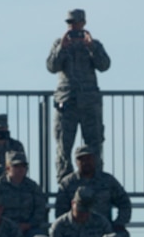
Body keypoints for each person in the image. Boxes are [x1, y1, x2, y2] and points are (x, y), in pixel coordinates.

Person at [46, 10, 110, 182]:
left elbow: (104, 65)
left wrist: (92, 47)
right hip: (66, 103)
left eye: (75, 23)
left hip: (89, 103)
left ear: (83, 23)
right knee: (63, 147)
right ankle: (65, 185)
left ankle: (96, 183)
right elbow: (52, 67)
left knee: (94, 145)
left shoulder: (93, 44)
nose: (72, 26)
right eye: (69, 23)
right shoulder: (59, 44)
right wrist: (62, 48)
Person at [52, 145, 133, 231]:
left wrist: (119, 223)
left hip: (103, 231)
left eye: (88, 158)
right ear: (76, 162)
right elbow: (60, 211)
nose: (85, 162)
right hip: (76, 233)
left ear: (94, 160)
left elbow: (124, 203)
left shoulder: (107, 181)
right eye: (81, 159)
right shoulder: (68, 183)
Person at [0, 152, 50, 237]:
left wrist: (28, 224)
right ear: (8, 168)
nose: (21, 169)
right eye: (16, 166)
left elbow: (40, 209)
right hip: (4, 228)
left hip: (28, 229)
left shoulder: (32, 186)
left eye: (23, 166)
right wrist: (8, 225)